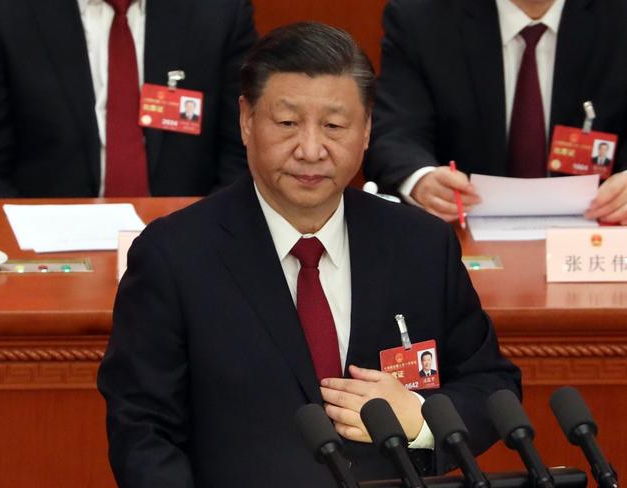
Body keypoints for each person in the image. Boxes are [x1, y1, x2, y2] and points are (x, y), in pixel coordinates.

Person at [98, 22, 521, 487]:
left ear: (366, 131)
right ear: (246, 120)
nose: (312, 149)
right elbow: (142, 431)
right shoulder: (174, 256)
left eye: (335, 126)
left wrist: (421, 422)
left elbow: (492, 387)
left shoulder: (421, 246)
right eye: (287, 123)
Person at [365, 0, 627, 225]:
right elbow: (395, 130)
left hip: (599, 234)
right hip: (460, 231)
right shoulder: (422, 18)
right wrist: (421, 179)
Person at [0, 0, 256, 197]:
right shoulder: (1, 12)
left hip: (189, 234)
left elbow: (243, 150)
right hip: (47, 240)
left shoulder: (220, 11)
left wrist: (210, 236)